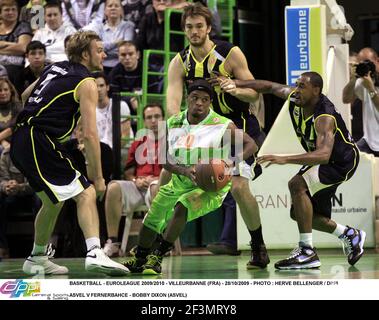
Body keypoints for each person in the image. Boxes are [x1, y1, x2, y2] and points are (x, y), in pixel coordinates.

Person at [10, 30, 129, 275]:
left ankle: (37, 257)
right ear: (86, 54)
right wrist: (98, 178)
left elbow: (24, 96)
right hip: (38, 139)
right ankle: (96, 252)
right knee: (85, 192)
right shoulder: (86, 82)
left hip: (20, 139)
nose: (104, 54)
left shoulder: (56, 67)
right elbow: (90, 134)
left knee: (52, 202)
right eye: (99, 50)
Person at [218, 71, 366, 269]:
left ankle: (307, 251)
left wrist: (283, 158)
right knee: (300, 214)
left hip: (341, 161)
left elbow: (323, 155)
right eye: (296, 84)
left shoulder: (324, 116)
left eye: (302, 86)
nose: (297, 89)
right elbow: (269, 86)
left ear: (316, 90)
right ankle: (349, 234)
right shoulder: (295, 97)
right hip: (325, 161)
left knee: (296, 184)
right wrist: (235, 82)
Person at [166, 2, 269, 268]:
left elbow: (254, 93)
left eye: (199, 26)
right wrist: (181, 130)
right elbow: (171, 104)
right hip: (204, 131)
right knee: (167, 176)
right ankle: (158, 245)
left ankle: (258, 246)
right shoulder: (179, 62)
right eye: (189, 27)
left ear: (209, 27)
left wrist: (233, 87)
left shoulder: (230, 54)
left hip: (238, 128)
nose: (194, 31)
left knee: (237, 185)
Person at [123, 79, 258, 275]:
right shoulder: (171, 123)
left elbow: (251, 145)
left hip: (210, 187)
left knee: (182, 207)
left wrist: (229, 163)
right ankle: (140, 258)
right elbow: (165, 161)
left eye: (205, 99)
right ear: (188, 98)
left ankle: (157, 256)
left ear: (210, 102)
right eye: (195, 98)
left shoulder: (221, 124)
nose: (200, 103)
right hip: (181, 180)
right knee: (152, 219)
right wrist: (186, 171)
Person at [103, 103, 164, 257]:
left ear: (163, 119)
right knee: (113, 187)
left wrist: (157, 179)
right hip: (139, 187)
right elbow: (129, 172)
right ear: (144, 121)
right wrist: (136, 179)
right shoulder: (138, 142)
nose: (153, 120)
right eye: (149, 117)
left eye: (157, 116)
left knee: (156, 187)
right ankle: (113, 242)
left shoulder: (171, 141)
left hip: (161, 187)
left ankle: (159, 241)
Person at [342, 47, 379, 157]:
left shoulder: (368, 84)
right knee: (347, 158)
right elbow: (346, 99)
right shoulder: (364, 81)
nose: (365, 66)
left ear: (377, 60)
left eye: (367, 62)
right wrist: (353, 79)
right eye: (361, 64)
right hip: (368, 141)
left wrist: (371, 89)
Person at [93, 72, 133, 149]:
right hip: (102, 152)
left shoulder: (121, 105)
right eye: (95, 86)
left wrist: (111, 154)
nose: (98, 89)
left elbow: (125, 136)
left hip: (123, 150)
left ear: (107, 87)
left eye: (101, 85)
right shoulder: (90, 110)